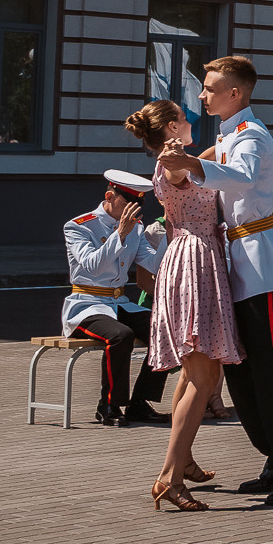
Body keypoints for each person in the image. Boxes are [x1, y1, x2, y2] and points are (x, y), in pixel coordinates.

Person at [154, 55, 273, 504]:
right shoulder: (229, 134)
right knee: (244, 376)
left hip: (257, 264)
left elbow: (247, 178)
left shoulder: (251, 136)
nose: (202, 94)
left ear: (236, 93)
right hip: (233, 262)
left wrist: (194, 166)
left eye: (211, 88)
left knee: (270, 376)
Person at [129, 113, 243, 511]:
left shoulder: (180, 159)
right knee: (204, 372)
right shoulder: (171, 162)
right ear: (171, 128)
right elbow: (179, 172)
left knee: (197, 372)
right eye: (182, 117)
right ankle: (169, 477)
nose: (191, 118)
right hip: (194, 260)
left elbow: (210, 160)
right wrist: (175, 155)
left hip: (195, 258)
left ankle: (184, 459)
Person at [62, 166, 171, 428]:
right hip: (86, 305)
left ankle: (140, 403)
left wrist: (172, 233)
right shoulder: (79, 226)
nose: (133, 209)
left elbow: (154, 264)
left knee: (167, 331)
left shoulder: (135, 228)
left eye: (138, 203)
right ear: (109, 196)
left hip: (118, 303)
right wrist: (119, 234)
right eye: (128, 202)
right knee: (120, 335)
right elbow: (91, 266)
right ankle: (109, 404)